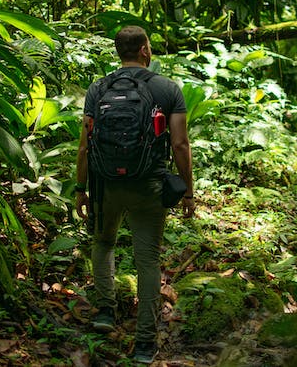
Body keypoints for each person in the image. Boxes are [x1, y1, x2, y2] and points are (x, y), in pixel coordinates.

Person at [75, 26, 196, 364]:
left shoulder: (98, 88)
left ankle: (104, 312)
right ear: (144, 49)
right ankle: (144, 343)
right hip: (149, 187)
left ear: (118, 52)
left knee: (103, 244)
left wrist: (79, 189)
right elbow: (179, 144)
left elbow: (85, 145)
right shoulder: (167, 88)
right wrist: (188, 191)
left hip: (104, 186)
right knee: (147, 261)